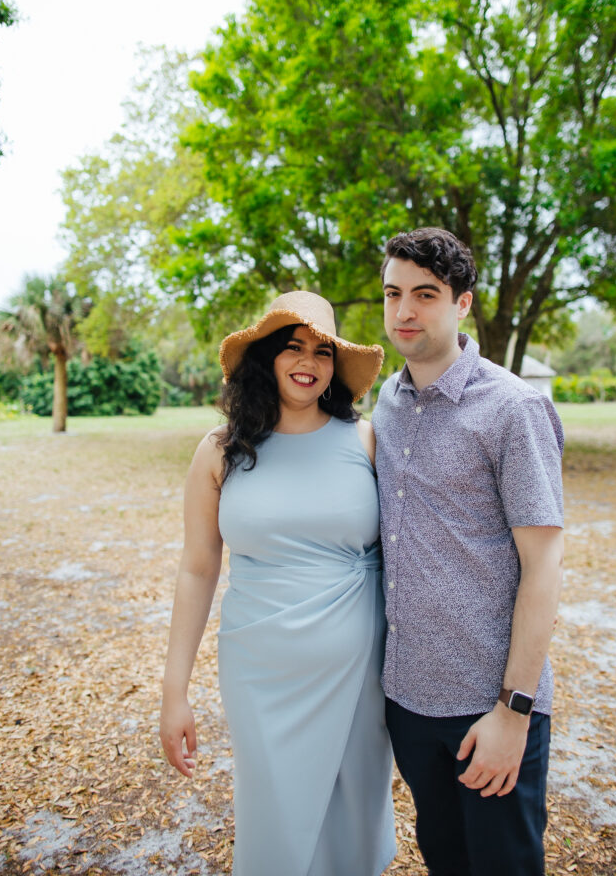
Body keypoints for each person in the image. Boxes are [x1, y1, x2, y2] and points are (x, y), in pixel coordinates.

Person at [160, 291, 396, 876]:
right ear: (266, 357)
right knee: (274, 823)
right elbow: (197, 567)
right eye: (293, 346)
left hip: (358, 668)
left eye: (321, 350)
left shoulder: (366, 440)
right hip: (260, 670)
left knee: (355, 820)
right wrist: (174, 690)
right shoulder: (219, 452)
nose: (307, 361)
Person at [372, 228, 564, 876]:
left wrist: (512, 713)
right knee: (445, 864)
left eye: (425, 294)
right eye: (393, 293)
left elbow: (543, 567)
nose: (404, 311)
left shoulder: (513, 408)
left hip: (491, 710)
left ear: (462, 304)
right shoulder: (386, 401)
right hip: (408, 704)